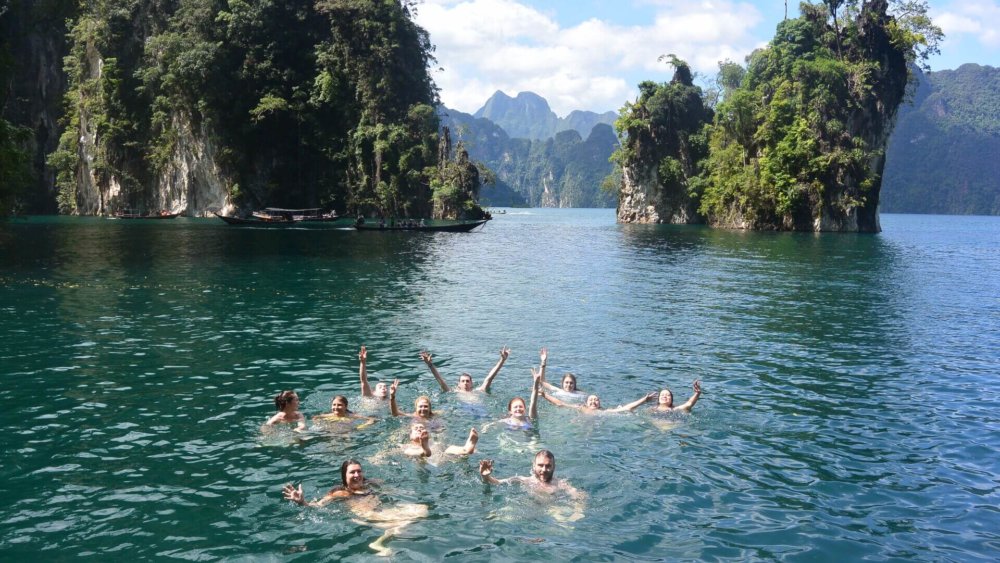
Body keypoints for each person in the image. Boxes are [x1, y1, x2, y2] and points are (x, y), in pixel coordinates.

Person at [283, 459, 428, 555]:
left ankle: (387, 535)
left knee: (422, 509)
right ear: (344, 476)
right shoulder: (340, 492)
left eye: (359, 471)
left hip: (382, 512)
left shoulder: (370, 484)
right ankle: (378, 543)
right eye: (352, 472)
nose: (357, 475)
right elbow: (318, 505)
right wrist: (302, 502)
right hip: (366, 516)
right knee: (403, 523)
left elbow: (391, 490)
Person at [477, 450, 585, 521]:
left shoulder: (561, 484)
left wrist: (577, 512)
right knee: (496, 516)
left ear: (554, 467)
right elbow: (498, 483)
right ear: (533, 466)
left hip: (553, 510)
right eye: (540, 465)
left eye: (548, 466)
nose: (544, 470)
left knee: (563, 522)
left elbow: (579, 495)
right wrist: (485, 476)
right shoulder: (524, 480)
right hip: (526, 510)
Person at [419, 347, 510, 393]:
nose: (465, 383)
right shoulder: (453, 392)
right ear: (458, 384)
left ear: (472, 383)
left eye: (467, 381)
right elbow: (440, 381)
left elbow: (489, 378)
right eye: (463, 381)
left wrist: (502, 360)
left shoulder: (479, 391)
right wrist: (430, 365)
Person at [541, 388, 657, 414]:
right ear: (586, 402)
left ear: (599, 403)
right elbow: (560, 403)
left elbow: (627, 408)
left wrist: (644, 400)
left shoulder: (604, 411)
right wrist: (544, 395)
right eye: (591, 400)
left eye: (596, 400)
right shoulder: (581, 408)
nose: (593, 401)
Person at [402, 422, 479, 458]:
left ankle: (466, 449)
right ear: (410, 436)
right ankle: (425, 450)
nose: (419, 430)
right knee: (409, 451)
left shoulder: (433, 442)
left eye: (422, 428)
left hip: (441, 458)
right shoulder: (406, 446)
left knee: (449, 449)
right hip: (422, 461)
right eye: (416, 429)